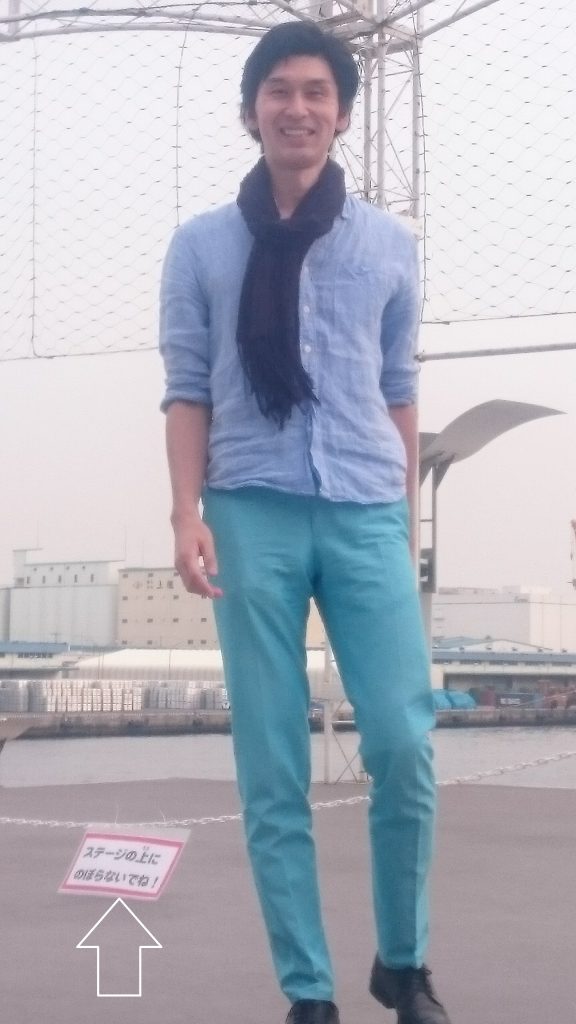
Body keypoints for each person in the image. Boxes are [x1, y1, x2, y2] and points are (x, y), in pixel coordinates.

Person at [160, 21, 452, 1024]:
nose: (298, 107)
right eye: (279, 90)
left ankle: (402, 964)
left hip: (366, 507)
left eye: (317, 91)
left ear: (342, 113)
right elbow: (188, 386)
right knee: (273, 759)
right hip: (250, 509)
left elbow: (398, 387)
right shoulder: (202, 244)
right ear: (252, 111)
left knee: (404, 744)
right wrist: (185, 512)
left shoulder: (389, 245)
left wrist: (402, 517)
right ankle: (309, 990)